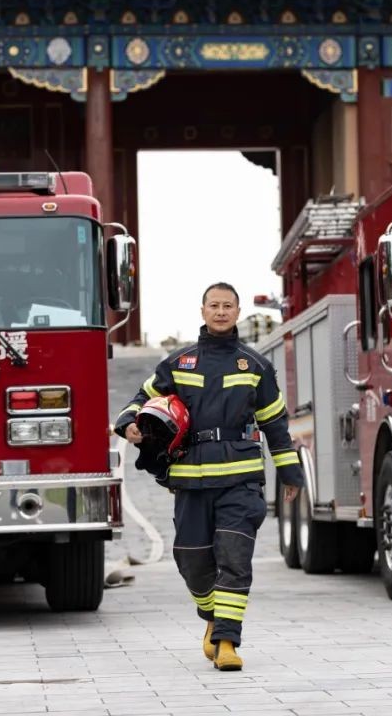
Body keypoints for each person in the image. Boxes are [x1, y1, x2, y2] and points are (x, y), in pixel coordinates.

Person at [114, 282, 302, 671]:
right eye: (214, 305)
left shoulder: (255, 366)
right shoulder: (178, 362)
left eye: (227, 306)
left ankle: (228, 641)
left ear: (237, 312)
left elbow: (276, 424)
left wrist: (290, 472)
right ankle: (212, 616)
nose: (220, 312)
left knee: (235, 558)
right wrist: (129, 422)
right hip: (192, 481)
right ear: (202, 311)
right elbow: (140, 399)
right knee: (192, 561)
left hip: (241, 479)